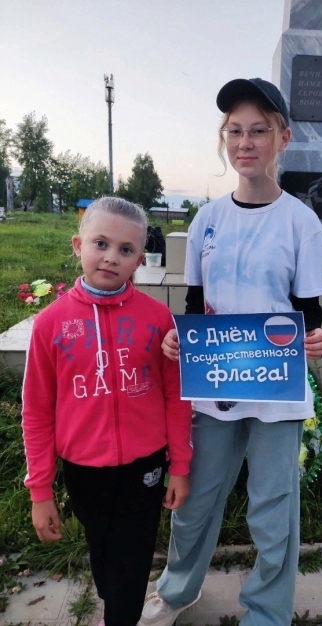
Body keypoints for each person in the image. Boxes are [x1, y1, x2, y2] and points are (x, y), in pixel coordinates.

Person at [139, 78, 322, 626]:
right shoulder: (206, 221)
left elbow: (309, 315)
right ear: (225, 139)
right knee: (195, 501)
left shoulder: (301, 223)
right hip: (215, 385)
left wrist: (315, 340)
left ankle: (267, 611)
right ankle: (177, 591)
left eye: (259, 131)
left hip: (275, 391)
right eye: (235, 131)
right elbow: (195, 308)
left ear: (282, 139)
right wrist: (178, 339)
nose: (245, 142)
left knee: (273, 509)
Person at [22, 197, 193, 626]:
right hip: (84, 470)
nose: (111, 257)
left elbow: (177, 397)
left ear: (140, 259)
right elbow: (37, 412)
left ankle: (120, 616)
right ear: (77, 245)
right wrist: (40, 490)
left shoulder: (159, 320)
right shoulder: (51, 324)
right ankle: (115, 603)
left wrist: (179, 466)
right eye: (101, 243)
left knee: (133, 557)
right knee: (102, 550)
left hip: (145, 466)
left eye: (126, 249)